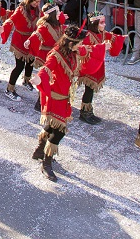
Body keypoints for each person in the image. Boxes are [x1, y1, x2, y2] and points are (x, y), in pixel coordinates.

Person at [29, 24, 93, 182]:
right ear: (70, 43)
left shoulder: (72, 51)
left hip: (64, 96)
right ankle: (47, 162)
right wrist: (38, 78)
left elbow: (86, 50)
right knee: (60, 130)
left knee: (52, 126)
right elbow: (46, 68)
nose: (80, 46)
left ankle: (39, 150)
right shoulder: (56, 54)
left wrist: (102, 47)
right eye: (78, 43)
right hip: (56, 97)